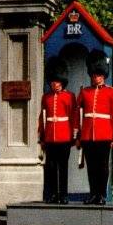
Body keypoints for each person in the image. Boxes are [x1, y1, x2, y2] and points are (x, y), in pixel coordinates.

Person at [73, 49, 113, 205]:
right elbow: (78, 114)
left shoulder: (112, 92)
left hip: (104, 134)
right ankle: (93, 194)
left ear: (104, 75)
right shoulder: (85, 92)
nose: (96, 77)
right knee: (91, 167)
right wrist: (78, 136)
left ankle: (101, 194)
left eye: (99, 75)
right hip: (88, 135)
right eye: (94, 75)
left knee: (103, 167)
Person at [37, 56, 75, 204]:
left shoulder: (69, 96)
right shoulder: (46, 97)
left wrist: (74, 136)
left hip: (64, 136)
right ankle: (53, 194)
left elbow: (72, 117)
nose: (55, 84)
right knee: (51, 168)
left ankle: (63, 195)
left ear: (62, 81)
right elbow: (43, 117)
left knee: (63, 167)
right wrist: (41, 137)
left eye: (57, 81)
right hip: (50, 137)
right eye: (53, 81)